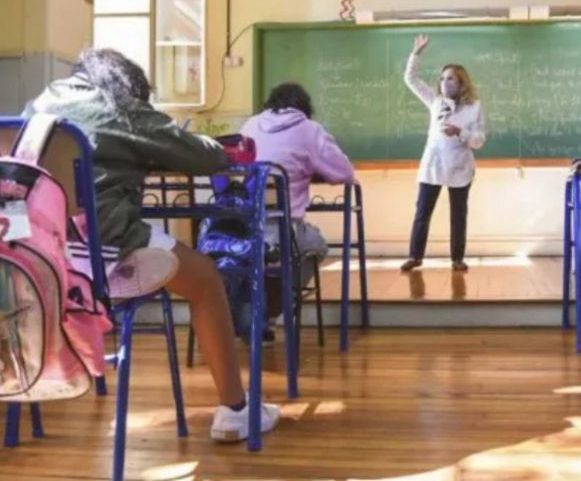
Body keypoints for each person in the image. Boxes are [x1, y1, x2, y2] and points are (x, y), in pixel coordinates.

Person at [24, 48, 280, 442]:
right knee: (206, 279)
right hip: (104, 254)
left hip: (38, 257)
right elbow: (205, 157)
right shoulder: (119, 106)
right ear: (129, 85)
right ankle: (235, 409)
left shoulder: (38, 105)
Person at [240, 82, 355, 316]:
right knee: (317, 245)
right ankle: (277, 304)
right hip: (284, 232)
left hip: (243, 227)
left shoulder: (249, 125)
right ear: (304, 107)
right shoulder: (310, 130)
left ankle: (255, 307)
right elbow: (344, 173)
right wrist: (311, 169)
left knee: (263, 257)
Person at [400, 35, 486, 273]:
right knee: (422, 212)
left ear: (461, 83)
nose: (445, 82)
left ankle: (457, 258)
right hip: (433, 165)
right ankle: (415, 256)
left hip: (460, 167)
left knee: (458, 214)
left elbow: (479, 140)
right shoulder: (435, 101)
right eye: (442, 78)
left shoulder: (474, 106)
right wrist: (415, 54)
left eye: (450, 78)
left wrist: (461, 132)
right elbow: (411, 79)